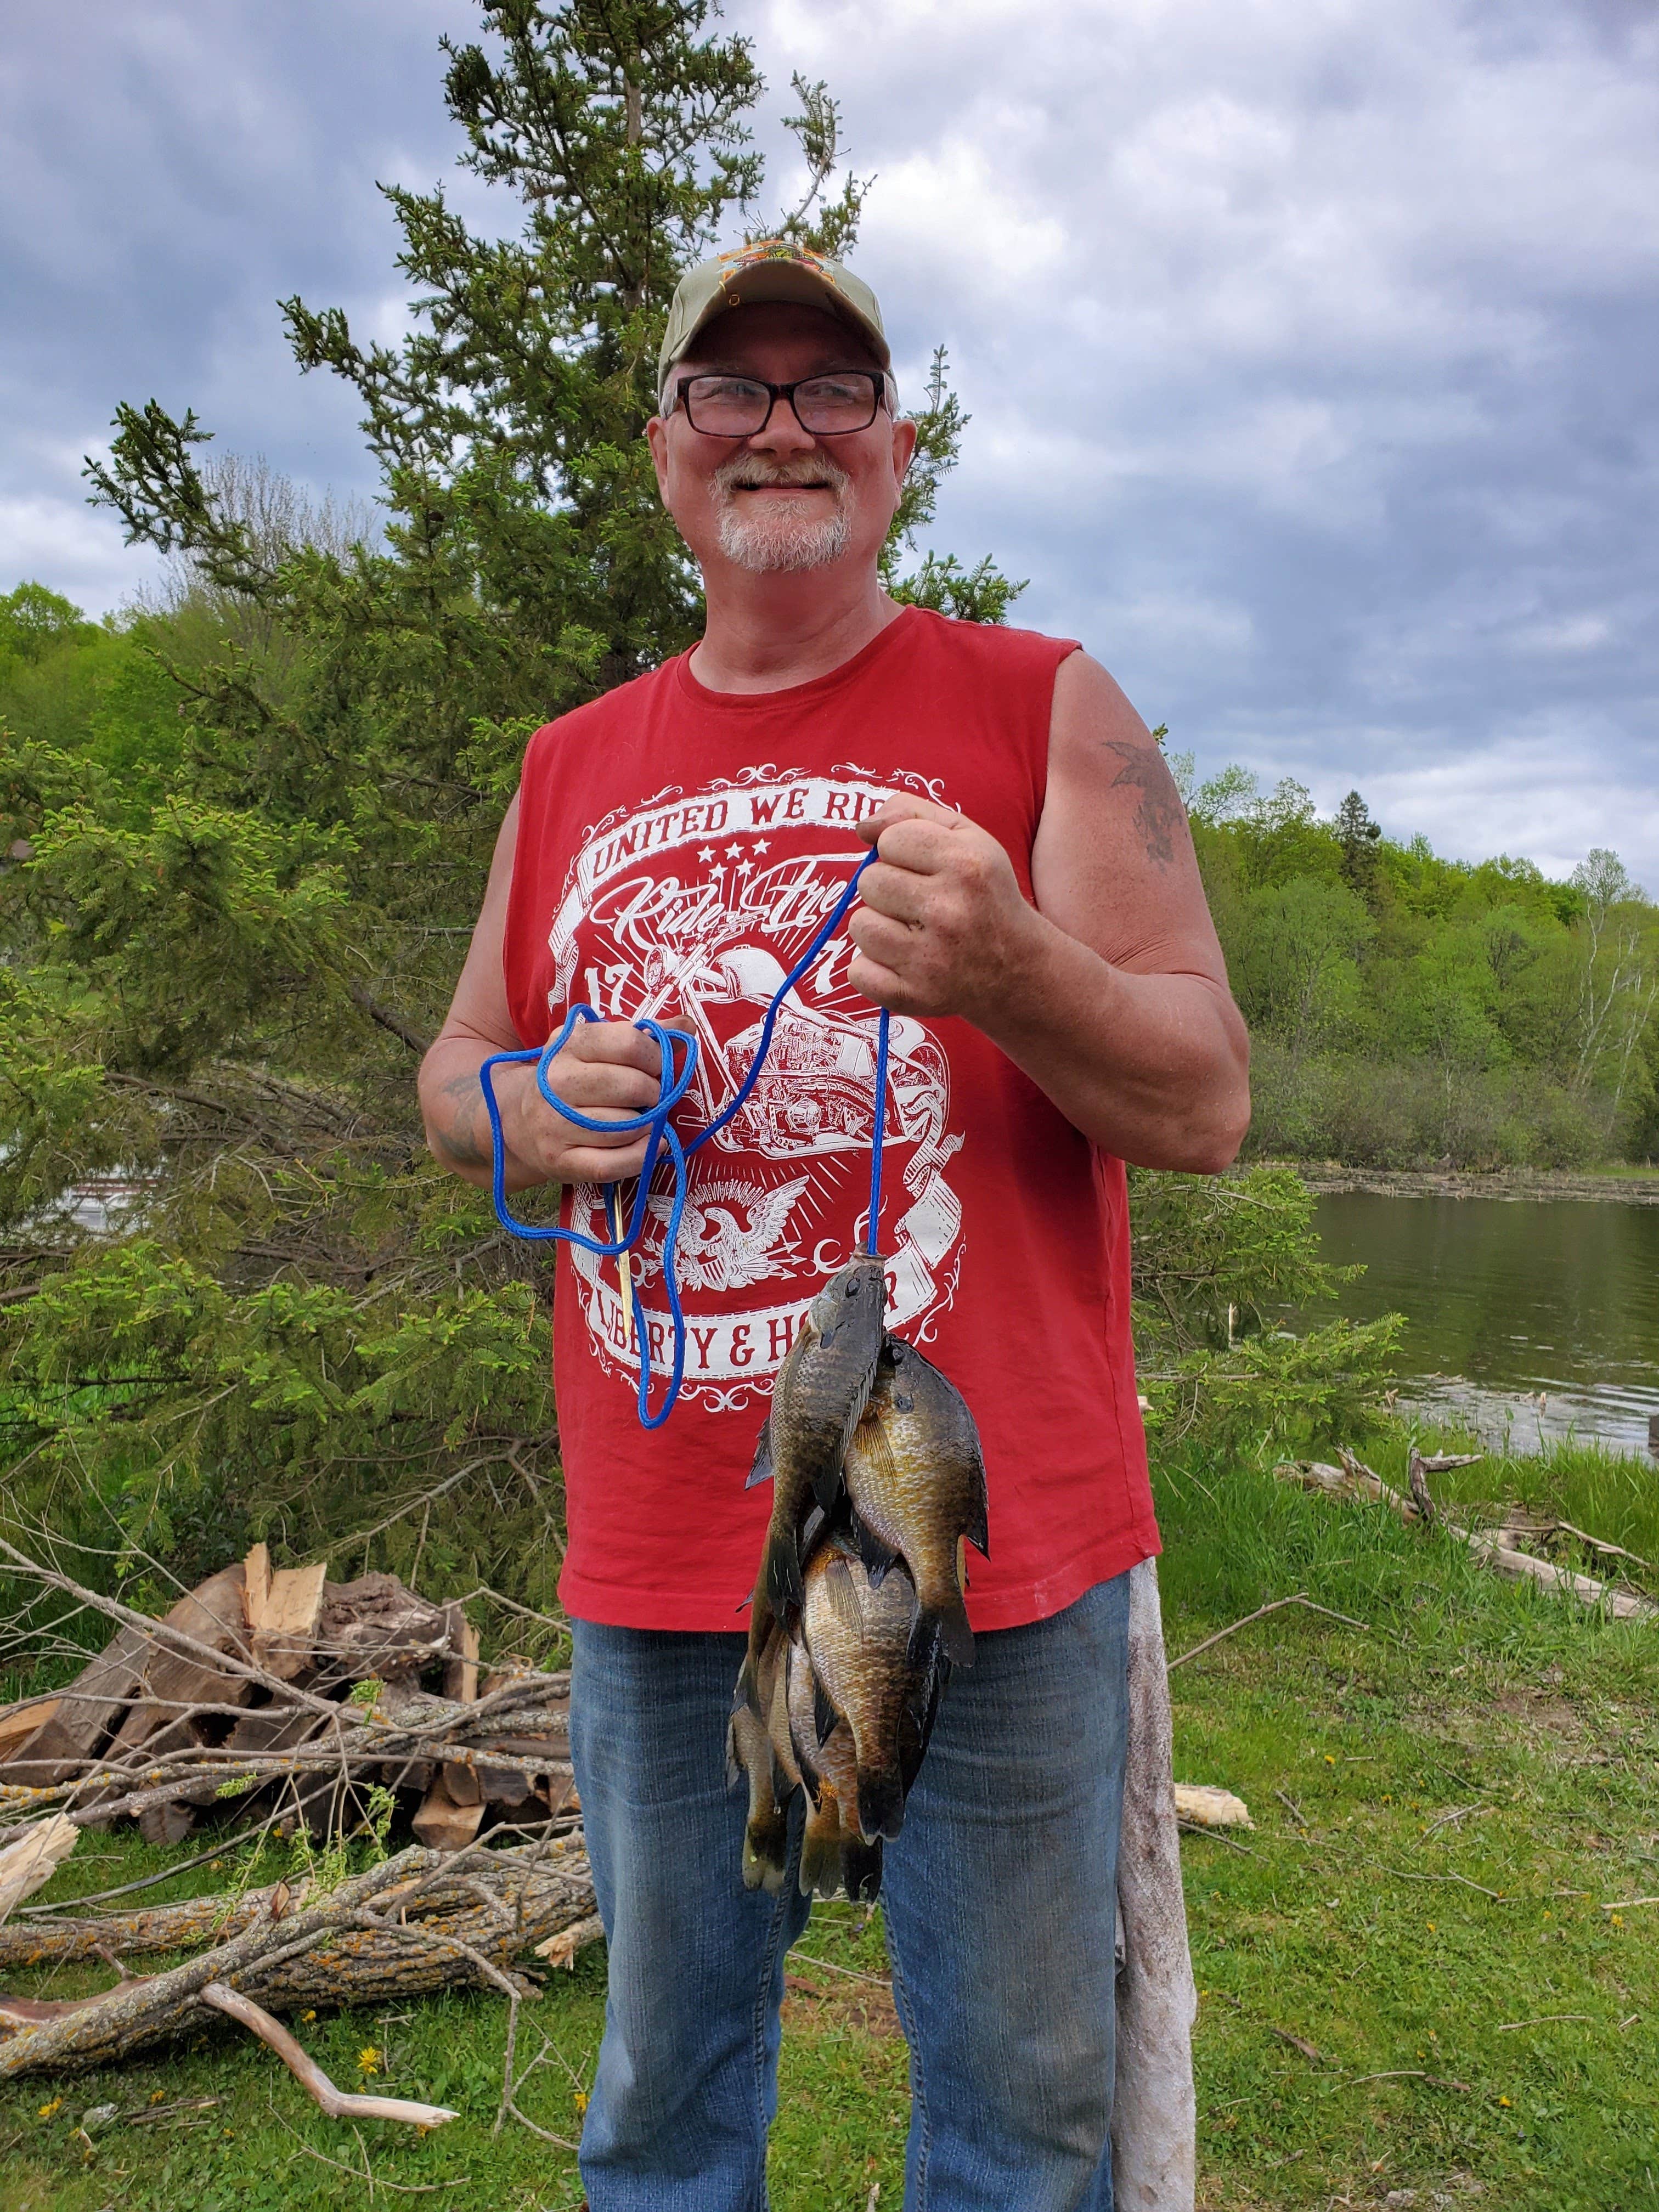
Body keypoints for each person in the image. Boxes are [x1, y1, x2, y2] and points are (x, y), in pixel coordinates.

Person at [419, 240, 1249, 2212]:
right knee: (664, 2105)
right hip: (658, 1551)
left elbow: (1208, 1097)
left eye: (832, 390)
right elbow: (455, 1074)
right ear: (667, 453)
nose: (782, 424)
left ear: (895, 455)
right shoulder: (566, 769)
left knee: (1022, 2118)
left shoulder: (1048, 703)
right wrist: (526, 1107)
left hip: (994, 1542)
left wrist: (1016, 969)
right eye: (734, 387)